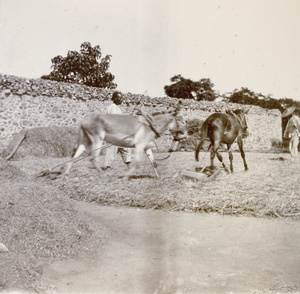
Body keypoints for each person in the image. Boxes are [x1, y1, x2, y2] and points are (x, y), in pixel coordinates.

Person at [103, 91, 132, 169]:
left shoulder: (117, 108)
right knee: (111, 152)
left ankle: (130, 169)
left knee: (127, 149)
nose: (121, 99)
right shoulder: (112, 107)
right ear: (115, 98)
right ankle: (105, 170)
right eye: (119, 98)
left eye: (121, 98)